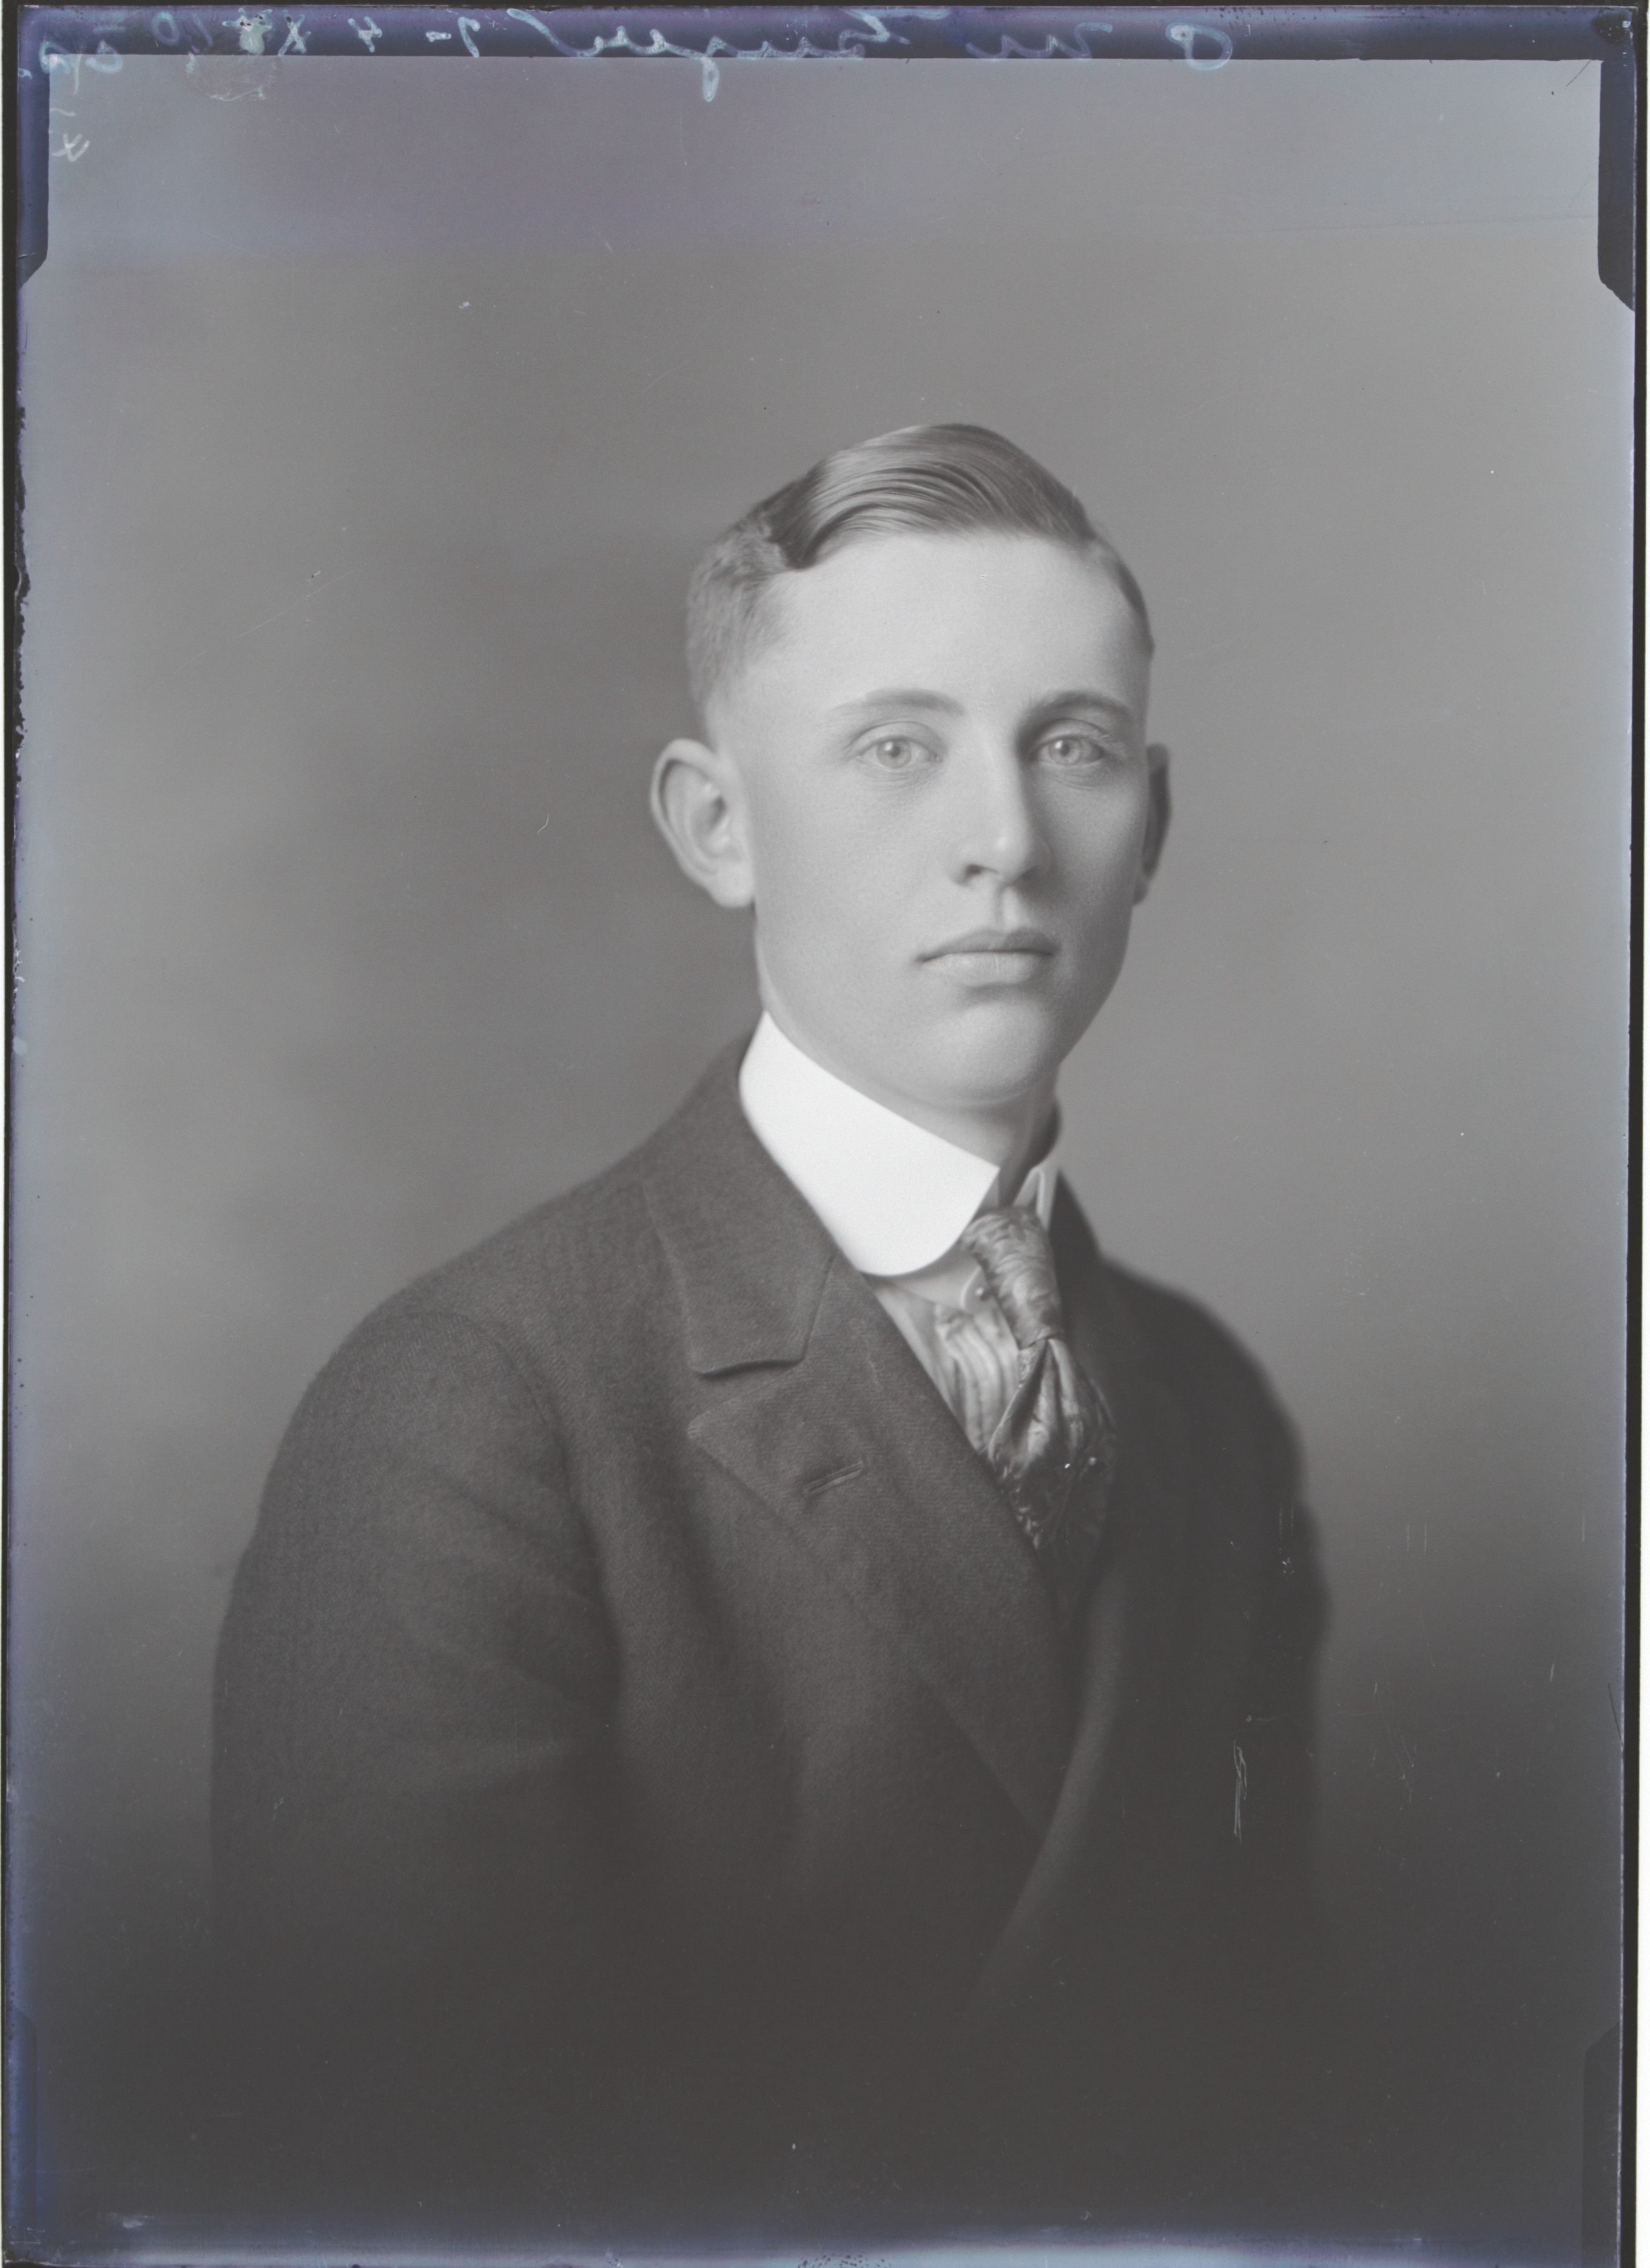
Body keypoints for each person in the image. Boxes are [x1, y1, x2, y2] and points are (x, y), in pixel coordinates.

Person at [212, 425, 1333, 2241]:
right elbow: (407, 2184)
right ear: (716, 827)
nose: (1003, 842)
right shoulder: (470, 1408)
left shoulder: (1206, 1406)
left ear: (1155, 827)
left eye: (1073, 746)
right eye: (898, 748)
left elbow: (1278, 2103)